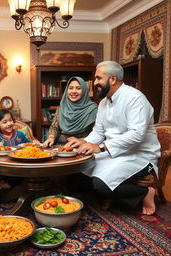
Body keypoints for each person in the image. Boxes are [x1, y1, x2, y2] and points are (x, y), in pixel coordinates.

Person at [66, 61, 161, 215]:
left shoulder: (135, 98)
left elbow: (136, 135)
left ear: (113, 79)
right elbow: (98, 131)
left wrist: (102, 147)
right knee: (77, 173)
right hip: (114, 152)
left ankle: (144, 193)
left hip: (139, 154)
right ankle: (112, 195)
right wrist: (84, 142)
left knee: (100, 185)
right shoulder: (103, 102)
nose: (95, 83)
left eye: (98, 78)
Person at [43, 76, 98, 147]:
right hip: (60, 147)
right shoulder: (62, 107)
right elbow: (54, 127)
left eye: (78, 88)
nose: (74, 91)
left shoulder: (93, 109)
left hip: (82, 147)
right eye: (70, 88)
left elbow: (98, 133)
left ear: (84, 90)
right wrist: (51, 137)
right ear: (66, 90)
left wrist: (82, 140)